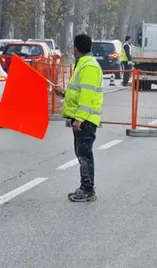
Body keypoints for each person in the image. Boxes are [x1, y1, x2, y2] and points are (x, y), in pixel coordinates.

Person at [53, 34, 103, 202]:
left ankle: (88, 189)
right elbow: (79, 93)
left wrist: (80, 119)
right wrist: (64, 93)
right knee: (81, 154)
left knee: (84, 154)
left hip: (85, 120)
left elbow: (87, 96)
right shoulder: (84, 64)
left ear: (75, 48)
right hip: (83, 118)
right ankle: (85, 186)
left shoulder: (88, 66)